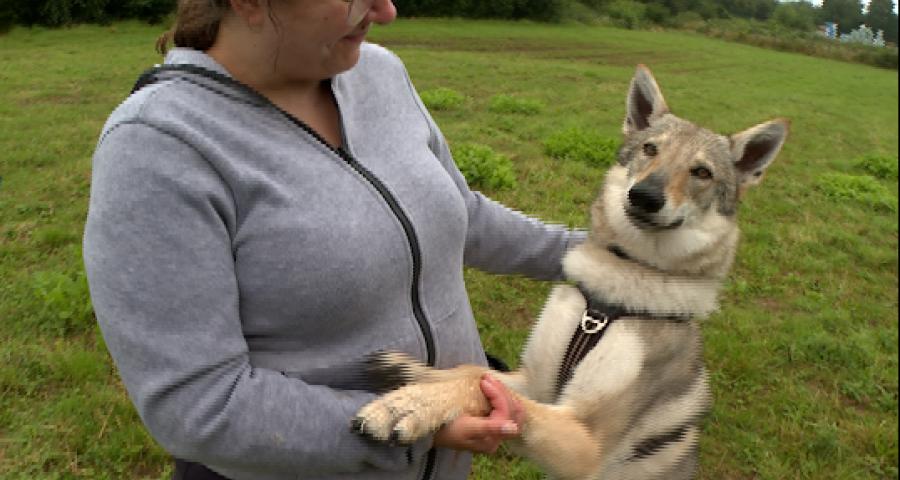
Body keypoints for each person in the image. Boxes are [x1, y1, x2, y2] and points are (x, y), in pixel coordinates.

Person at [82, 0, 585, 479]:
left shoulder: (379, 72)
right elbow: (199, 404)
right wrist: (420, 428)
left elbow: (461, 214)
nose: (387, 11)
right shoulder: (156, 146)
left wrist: (599, 258)